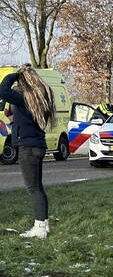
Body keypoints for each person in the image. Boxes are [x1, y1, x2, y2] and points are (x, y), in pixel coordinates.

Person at [0, 65, 56, 238]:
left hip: (28, 147)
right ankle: (43, 225)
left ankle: (39, 228)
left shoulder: (25, 97)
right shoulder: (40, 98)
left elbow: (2, 90)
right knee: (38, 187)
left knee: (33, 188)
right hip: (37, 145)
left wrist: (14, 75)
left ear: (24, 81)